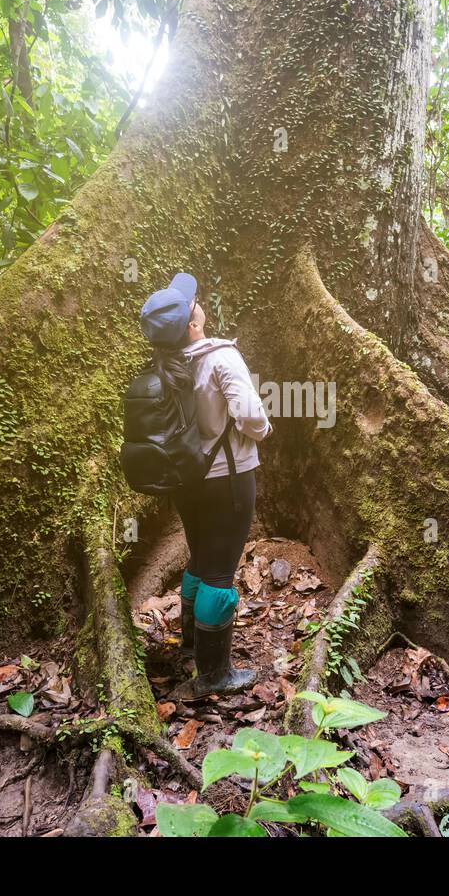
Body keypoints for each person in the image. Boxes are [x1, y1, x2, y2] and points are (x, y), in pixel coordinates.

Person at [138, 273, 272, 697]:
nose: (195, 302)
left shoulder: (164, 365)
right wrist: (263, 431)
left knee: (199, 559)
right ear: (192, 325)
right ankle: (214, 674)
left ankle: (191, 646)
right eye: (191, 302)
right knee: (219, 573)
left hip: (186, 480)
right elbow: (250, 415)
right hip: (227, 480)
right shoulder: (220, 357)